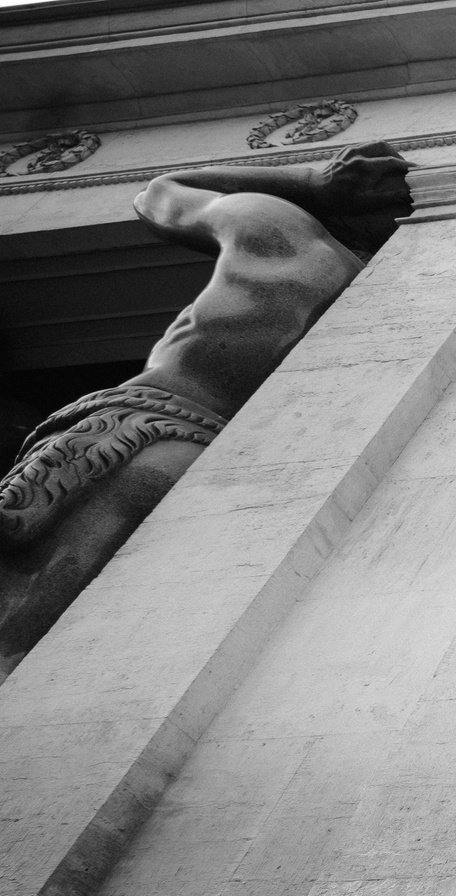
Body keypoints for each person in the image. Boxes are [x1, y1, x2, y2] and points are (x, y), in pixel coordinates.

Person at [0, 142, 412, 682]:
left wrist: (312, 181)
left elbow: (159, 192)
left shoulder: (276, 226)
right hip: (207, 460)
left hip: (136, 425)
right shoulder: (389, 300)